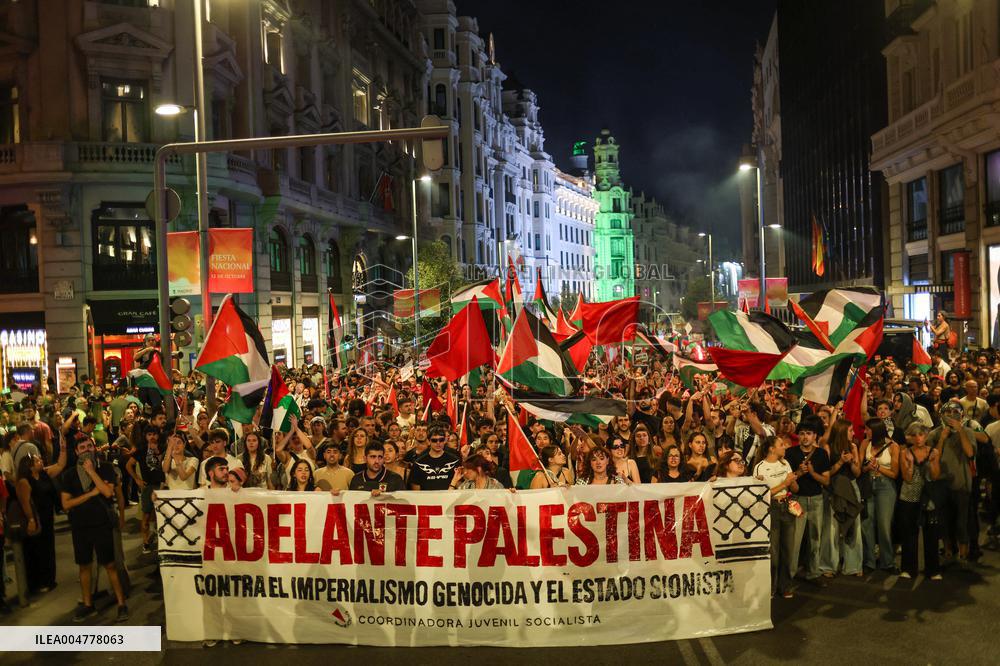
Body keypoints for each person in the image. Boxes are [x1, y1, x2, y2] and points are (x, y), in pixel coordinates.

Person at [59, 437, 129, 623]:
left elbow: (107, 492)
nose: (86, 450)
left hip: (102, 524)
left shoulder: (105, 468)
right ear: (76, 452)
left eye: (89, 446)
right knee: (84, 565)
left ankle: (122, 604)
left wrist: (91, 472)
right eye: (82, 448)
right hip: (80, 526)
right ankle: (88, 604)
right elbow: (66, 504)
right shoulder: (69, 475)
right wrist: (90, 493)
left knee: (110, 565)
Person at [14, 439, 67, 594]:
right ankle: (37, 583)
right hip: (35, 518)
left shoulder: (43, 474)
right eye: (37, 460)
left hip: (47, 517)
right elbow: (25, 503)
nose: (41, 460)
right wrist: (31, 519)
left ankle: (49, 580)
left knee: (48, 548)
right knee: (35, 551)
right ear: (30, 466)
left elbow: (60, 465)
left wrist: (63, 447)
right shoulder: (24, 481)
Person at [786, 417, 832, 583]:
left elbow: (826, 481)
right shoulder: (790, 453)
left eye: (809, 433)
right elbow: (787, 480)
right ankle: (789, 575)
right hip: (797, 500)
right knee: (795, 540)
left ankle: (813, 573)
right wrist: (799, 472)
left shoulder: (821, 454)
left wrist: (812, 473)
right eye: (802, 433)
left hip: (817, 499)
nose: (805, 437)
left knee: (815, 538)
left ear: (815, 436)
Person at [929, 401, 976, 562]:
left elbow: (970, 453)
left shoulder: (968, 431)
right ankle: (948, 549)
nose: (950, 415)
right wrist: (942, 438)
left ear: (961, 415)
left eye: (955, 412)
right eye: (947, 412)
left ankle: (964, 552)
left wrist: (960, 429)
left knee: (962, 521)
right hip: (941, 483)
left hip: (961, 483)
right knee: (944, 520)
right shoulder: (935, 433)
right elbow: (934, 457)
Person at [753, 436, 799, 598]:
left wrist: (792, 481)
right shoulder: (760, 467)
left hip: (787, 505)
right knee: (773, 551)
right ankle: (771, 587)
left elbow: (795, 487)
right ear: (771, 449)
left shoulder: (785, 463)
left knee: (788, 549)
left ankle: (785, 586)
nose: (785, 446)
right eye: (781, 445)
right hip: (771, 508)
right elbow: (762, 494)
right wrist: (785, 483)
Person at [898, 423, 942, 580]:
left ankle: (933, 570)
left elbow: (936, 476)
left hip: (928, 496)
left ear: (926, 435)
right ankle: (908, 569)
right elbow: (907, 478)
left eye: (921, 435)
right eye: (914, 435)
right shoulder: (905, 452)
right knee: (909, 533)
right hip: (909, 496)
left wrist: (931, 463)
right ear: (910, 436)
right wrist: (910, 464)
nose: (918, 438)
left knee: (931, 533)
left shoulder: (934, 452)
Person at [861, 418, 900, 573]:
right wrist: (866, 467)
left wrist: (878, 467)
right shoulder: (865, 444)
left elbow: (895, 473)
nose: (865, 432)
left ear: (876, 430)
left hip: (885, 487)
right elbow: (859, 467)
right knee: (867, 523)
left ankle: (887, 562)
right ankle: (869, 561)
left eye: (868, 429)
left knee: (884, 525)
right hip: (868, 484)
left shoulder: (893, 446)